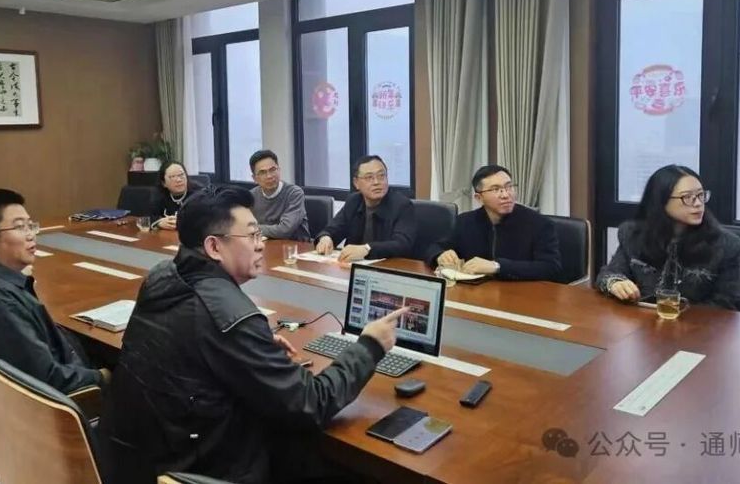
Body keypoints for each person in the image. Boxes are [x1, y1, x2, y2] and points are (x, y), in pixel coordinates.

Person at [100, 185, 407, 484]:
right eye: (252, 235)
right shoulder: (232, 318)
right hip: (205, 467)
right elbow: (311, 403)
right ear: (214, 247)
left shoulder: (162, 276)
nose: (260, 245)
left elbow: (187, 342)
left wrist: (249, 348)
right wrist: (369, 347)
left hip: (133, 460)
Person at [0, 189, 108, 393]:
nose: (31, 234)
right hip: (56, 399)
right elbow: (48, 380)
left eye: (30, 225)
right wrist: (103, 376)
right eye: (19, 227)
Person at [597, 164, 740, 309]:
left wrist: (681, 316)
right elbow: (609, 274)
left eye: (701, 195)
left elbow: (727, 303)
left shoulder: (727, 245)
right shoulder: (633, 234)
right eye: (687, 197)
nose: (698, 203)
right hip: (644, 319)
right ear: (660, 201)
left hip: (696, 322)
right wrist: (615, 283)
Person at [428, 165, 562, 280]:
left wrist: (497, 266)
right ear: (479, 198)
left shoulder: (539, 224)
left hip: (520, 294)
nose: (505, 195)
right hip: (475, 293)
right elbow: (434, 247)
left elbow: (551, 268)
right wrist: (440, 255)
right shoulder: (465, 221)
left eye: (509, 187)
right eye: (495, 189)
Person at [314, 155, 416, 262]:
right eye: (369, 177)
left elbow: (402, 244)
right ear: (356, 183)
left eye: (381, 176)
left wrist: (367, 249)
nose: (376, 182)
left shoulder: (402, 205)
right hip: (352, 266)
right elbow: (333, 229)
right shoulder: (354, 201)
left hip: (388, 267)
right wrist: (325, 238)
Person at [248, 149, 310, 241]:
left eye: (272, 170)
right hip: (264, 245)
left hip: (295, 246)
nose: (269, 176)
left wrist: (252, 228)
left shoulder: (294, 193)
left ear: (279, 170)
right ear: (254, 178)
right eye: (262, 172)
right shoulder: (251, 196)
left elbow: (284, 230)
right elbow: (241, 225)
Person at [148, 161, 197, 231]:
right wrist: (159, 223)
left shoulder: (199, 193)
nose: (179, 180)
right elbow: (148, 217)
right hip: (166, 236)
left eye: (181, 175)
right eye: (172, 177)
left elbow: (207, 219)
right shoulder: (159, 194)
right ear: (164, 183)